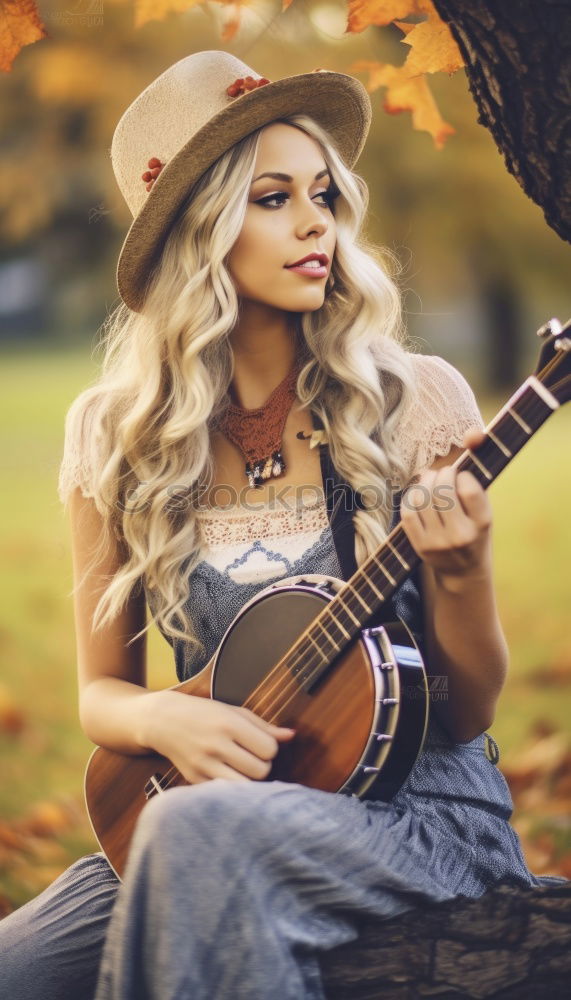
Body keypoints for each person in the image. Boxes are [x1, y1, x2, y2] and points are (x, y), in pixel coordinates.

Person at [0, 49, 566, 1000]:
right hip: (203, 804)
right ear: (198, 229)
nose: (317, 225)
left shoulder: (409, 398)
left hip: (411, 815)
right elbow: (102, 696)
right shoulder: (114, 434)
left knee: (194, 838)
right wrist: (161, 715)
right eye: (271, 198)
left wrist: (461, 572)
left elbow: (465, 716)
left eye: (323, 194)